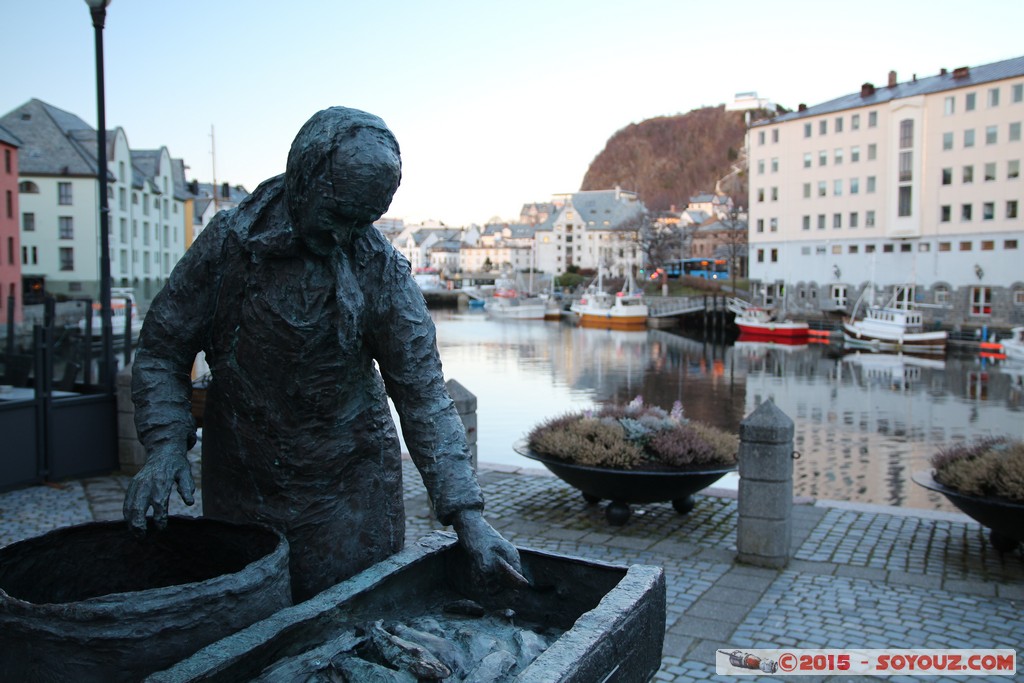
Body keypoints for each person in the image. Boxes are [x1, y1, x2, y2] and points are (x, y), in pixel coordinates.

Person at [124, 106, 522, 602]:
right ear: (302, 178)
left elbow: (423, 396)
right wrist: (165, 446)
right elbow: (162, 350)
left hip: (353, 489)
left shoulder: (381, 271)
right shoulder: (226, 246)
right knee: (249, 630)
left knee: (349, 625)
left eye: (360, 223)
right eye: (334, 216)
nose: (341, 237)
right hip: (242, 477)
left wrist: (469, 517)